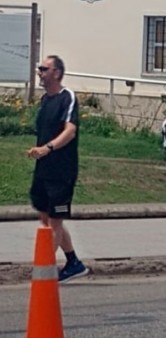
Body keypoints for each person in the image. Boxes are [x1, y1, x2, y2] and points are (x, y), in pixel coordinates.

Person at [27, 55, 89, 283]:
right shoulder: (45, 100)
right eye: (39, 68)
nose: (40, 72)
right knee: (46, 219)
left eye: (44, 68)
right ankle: (73, 262)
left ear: (57, 72)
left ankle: (43, 272)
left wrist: (48, 148)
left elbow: (69, 131)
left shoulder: (67, 98)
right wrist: (39, 151)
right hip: (43, 169)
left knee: (55, 221)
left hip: (62, 171)